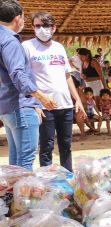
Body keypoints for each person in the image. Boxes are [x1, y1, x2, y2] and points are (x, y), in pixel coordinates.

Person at [22, 11, 86, 171]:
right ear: (33, 27)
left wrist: (77, 99)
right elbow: (23, 78)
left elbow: (67, 75)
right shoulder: (27, 47)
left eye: (45, 26)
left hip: (64, 105)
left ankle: (68, 178)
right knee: (46, 147)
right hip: (44, 107)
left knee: (66, 146)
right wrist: (33, 103)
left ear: (53, 28)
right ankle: (47, 182)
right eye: (37, 26)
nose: (41, 29)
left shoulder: (59, 48)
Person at [0, 0, 57, 170]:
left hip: (7, 108)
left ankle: (13, 196)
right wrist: (40, 96)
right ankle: (23, 197)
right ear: (18, 18)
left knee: (15, 161)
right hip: (20, 107)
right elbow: (18, 74)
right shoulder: (10, 40)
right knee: (25, 161)